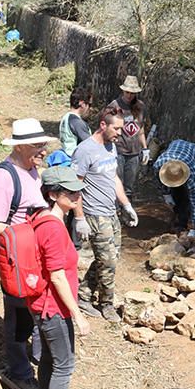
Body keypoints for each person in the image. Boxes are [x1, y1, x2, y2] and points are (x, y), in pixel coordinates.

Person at [0, 118, 50, 389]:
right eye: (37, 145)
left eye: (43, 144)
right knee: (19, 314)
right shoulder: (4, 177)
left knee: (36, 305)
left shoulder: (31, 170)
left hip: (32, 254)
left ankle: (38, 359)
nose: (43, 150)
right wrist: (24, 234)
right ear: (20, 146)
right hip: (16, 259)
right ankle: (20, 372)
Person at [27, 166, 92, 389]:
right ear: (53, 195)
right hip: (53, 308)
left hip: (42, 305)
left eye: (77, 191)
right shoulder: (53, 228)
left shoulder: (42, 218)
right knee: (64, 365)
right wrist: (78, 315)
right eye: (69, 192)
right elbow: (56, 276)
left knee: (50, 360)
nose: (76, 196)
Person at [70, 109, 139, 323]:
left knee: (109, 258)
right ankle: (106, 304)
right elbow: (75, 186)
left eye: (120, 128)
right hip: (94, 214)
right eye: (116, 128)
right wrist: (79, 218)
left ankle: (83, 295)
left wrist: (126, 205)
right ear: (103, 125)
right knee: (108, 261)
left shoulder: (111, 146)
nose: (120, 133)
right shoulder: (85, 150)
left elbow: (114, 178)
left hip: (111, 213)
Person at [106, 76, 149, 199]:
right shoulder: (114, 106)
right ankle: (116, 207)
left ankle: (127, 207)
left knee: (129, 186)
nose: (129, 95)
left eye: (132, 93)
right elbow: (107, 127)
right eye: (127, 92)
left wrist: (145, 148)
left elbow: (140, 129)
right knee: (117, 182)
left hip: (134, 152)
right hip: (118, 151)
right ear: (123, 91)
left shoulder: (140, 106)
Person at [153, 139, 195, 235]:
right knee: (176, 193)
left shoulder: (191, 175)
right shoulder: (158, 165)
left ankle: (183, 222)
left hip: (194, 152)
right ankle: (177, 213)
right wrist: (166, 194)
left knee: (186, 197)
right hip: (176, 144)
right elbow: (158, 180)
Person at [49, 87, 92, 168]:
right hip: (74, 161)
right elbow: (90, 143)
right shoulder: (77, 122)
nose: (90, 108)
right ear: (82, 103)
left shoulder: (66, 117)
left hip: (66, 155)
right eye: (89, 104)